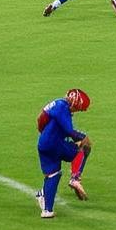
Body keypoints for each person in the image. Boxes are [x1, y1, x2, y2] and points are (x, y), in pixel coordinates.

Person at [35, 89, 93, 218]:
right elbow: (69, 130)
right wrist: (82, 137)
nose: (77, 111)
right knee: (85, 147)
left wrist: (44, 133)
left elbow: (40, 119)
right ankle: (75, 179)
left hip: (44, 143)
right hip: (55, 145)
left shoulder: (57, 104)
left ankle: (46, 208)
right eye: (78, 108)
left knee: (53, 174)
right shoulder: (63, 108)